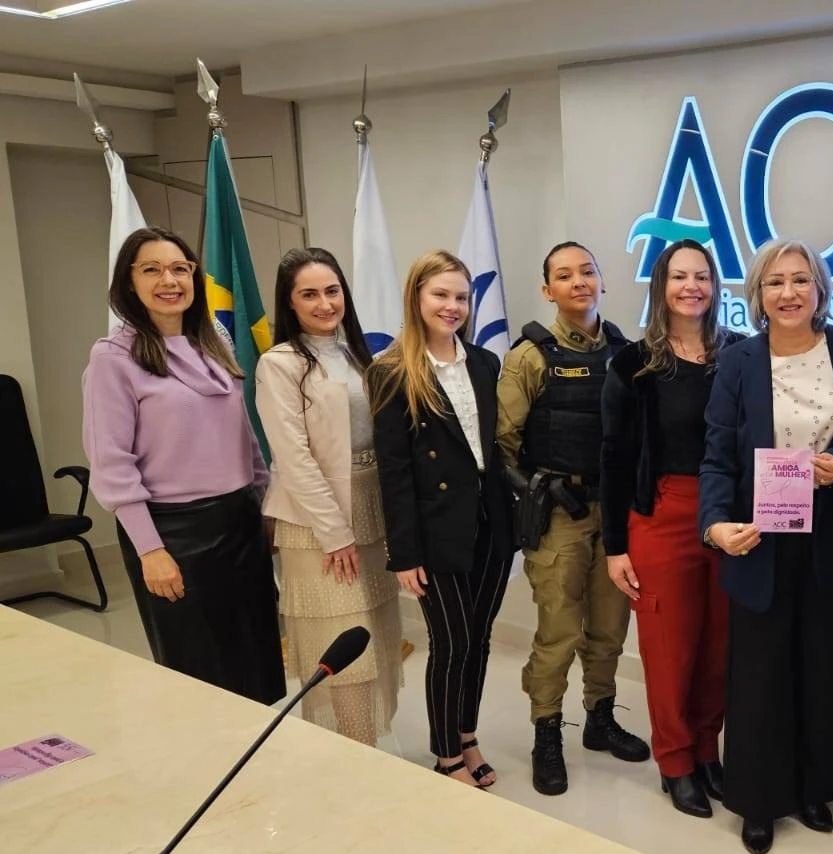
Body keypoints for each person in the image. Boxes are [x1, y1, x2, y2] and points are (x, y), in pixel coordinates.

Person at [699, 238, 833, 854]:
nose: (788, 292)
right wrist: (715, 525)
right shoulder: (738, 361)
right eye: (775, 282)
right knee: (759, 674)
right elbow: (717, 454)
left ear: (820, 288)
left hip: (829, 535)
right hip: (757, 538)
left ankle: (814, 786)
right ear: (758, 294)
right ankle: (759, 799)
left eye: (800, 280)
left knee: (822, 666)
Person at [82, 226, 284, 705]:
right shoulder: (114, 357)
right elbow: (111, 463)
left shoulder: (213, 341)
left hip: (240, 520)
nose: (169, 280)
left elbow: (243, 433)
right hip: (173, 533)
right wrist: (150, 549)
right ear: (128, 282)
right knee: (198, 671)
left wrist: (264, 503)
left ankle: (261, 749)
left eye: (179, 268)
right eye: (151, 269)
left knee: (256, 657)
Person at [495, 241, 649, 795]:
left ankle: (600, 718)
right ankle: (547, 731)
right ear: (548, 290)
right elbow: (502, 446)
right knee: (558, 631)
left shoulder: (628, 354)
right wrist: (538, 489)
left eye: (587, 271)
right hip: (559, 515)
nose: (578, 281)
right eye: (564, 275)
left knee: (609, 627)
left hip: (616, 515)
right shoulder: (529, 356)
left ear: (602, 280)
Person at [601, 239, 742, 818]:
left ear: (715, 285)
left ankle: (708, 752)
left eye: (701, 276)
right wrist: (615, 547)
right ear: (661, 285)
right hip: (662, 516)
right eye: (679, 276)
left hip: (731, 515)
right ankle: (676, 761)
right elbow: (614, 457)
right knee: (670, 651)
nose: (691, 287)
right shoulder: (632, 364)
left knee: (718, 649)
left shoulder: (739, 354)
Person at [369, 249, 513, 788]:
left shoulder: (484, 362)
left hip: (490, 522)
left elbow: (491, 449)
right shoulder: (391, 371)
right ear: (416, 297)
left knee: (480, 638)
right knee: (451, 643)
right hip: (435, 531)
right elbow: (394, 471)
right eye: (441, 295)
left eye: (462, 297)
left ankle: (467, 736)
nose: (453, 306)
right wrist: (404, 552)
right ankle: (446, 753)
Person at [256, 248, 403, 746]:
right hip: (317, 523)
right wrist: (335, 533)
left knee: (375, 639)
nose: (325, 304)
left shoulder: (358, 355)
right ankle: (355, 756)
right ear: (290, 302)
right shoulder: (279, 364)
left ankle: (368, 748)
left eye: (332, 290)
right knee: (345, 651)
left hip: (371, 511)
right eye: (309, 294)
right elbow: (293, 458)